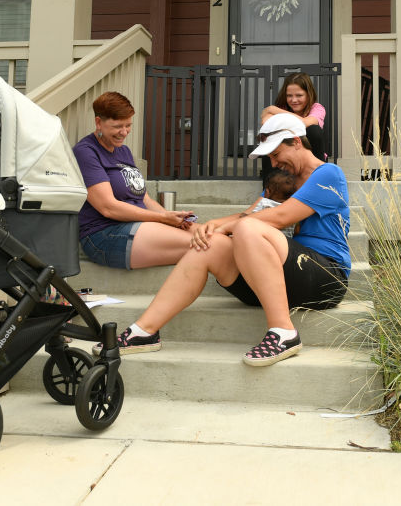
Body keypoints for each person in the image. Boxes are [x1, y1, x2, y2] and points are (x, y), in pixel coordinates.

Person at [95, 112, 351, 367]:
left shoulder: (328, 174)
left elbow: (279, 217)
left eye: (276, 154)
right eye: (270, 157)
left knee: (248, 229)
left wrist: (228, 227)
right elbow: (251, 214)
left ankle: (284, 332)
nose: (274, 163)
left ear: (296, 141)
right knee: (209, 245)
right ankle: (144, 331)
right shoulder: (286, 179)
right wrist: (210, 226)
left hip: (324, 277)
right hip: (280, 276)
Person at [73, 91, 194, 270]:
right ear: (99, 122)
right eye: (117, 126)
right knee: (206, 244)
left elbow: (144, 199)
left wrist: (173, 220)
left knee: (210, 237)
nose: (124, 132)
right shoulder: (86, 152)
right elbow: (108, 207)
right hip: (105, 235)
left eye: (128, 125)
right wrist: (162, 218)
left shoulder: (124, 151)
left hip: (139, 227)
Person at [260, 72, 327, 161]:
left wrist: (272, 109)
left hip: (311, 159)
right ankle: (272, 175)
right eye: (289, 96)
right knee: (268, 135)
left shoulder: (317, 108)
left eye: (299, 95)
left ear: (308, 94)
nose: (294, 100)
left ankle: (319, 173)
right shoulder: (282, 108)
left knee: (313, 129)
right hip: (287, 160)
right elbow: (265, 123)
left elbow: (304, 123)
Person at [250, 168, 298, 237]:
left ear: (267, 192)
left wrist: (244, 216)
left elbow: (252, 219)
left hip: (264, 239)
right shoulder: (293, 209)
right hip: (285, 243)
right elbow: (297, 230)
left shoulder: (264, 202)